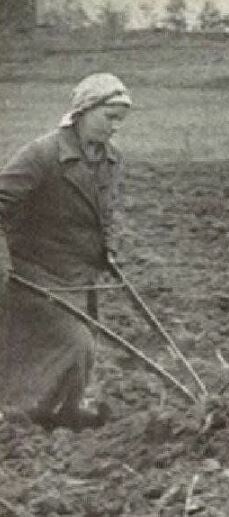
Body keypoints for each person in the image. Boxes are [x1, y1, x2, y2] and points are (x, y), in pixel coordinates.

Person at [0, 73, 132, 431]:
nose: (115, 126)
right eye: (110, 117)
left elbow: (105, 211)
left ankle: (62, 410)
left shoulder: (111, 159)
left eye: (121, 119)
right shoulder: (42, 155)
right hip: (35, 272)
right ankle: (17, 415)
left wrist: (110, 247)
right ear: (84, 111)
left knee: (80, 344)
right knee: (75, 342)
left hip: (80, 275)